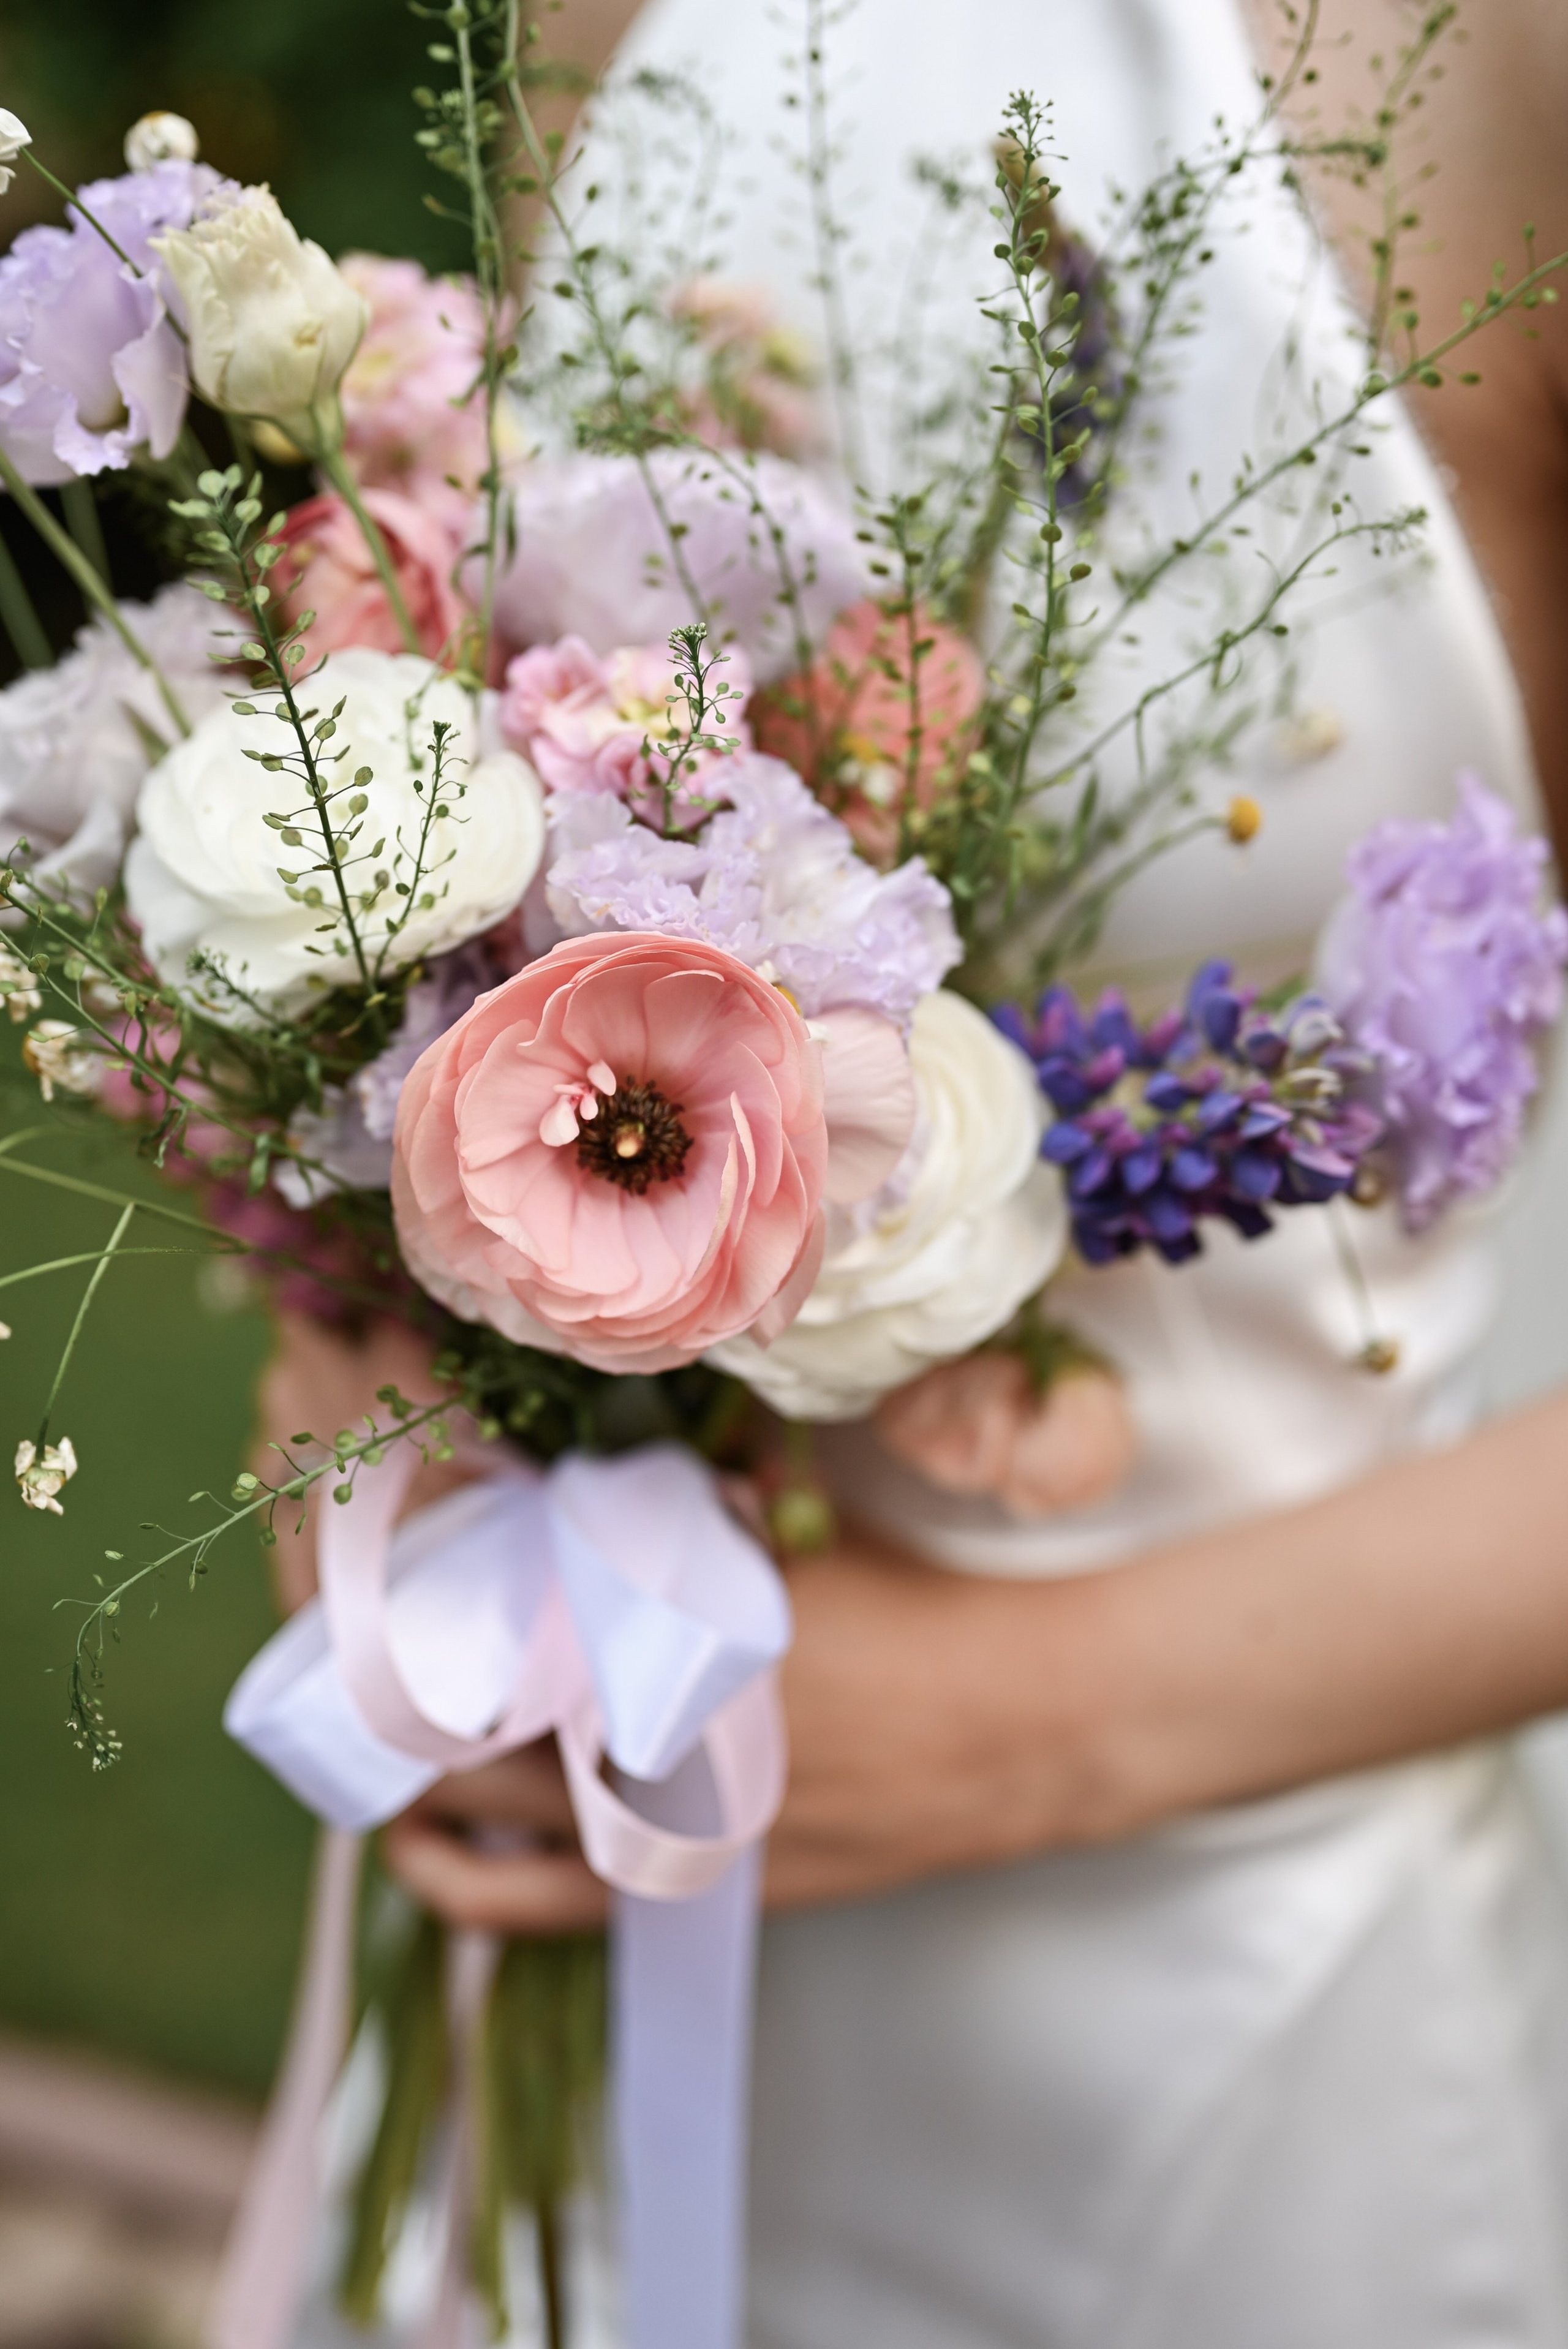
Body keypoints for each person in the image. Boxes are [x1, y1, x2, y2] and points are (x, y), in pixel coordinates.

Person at [262, 0, 1568, 2339]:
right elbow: (484, 738)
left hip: (1209, 2031)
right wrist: (355, 1363)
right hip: (577, 1863)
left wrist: (1000, 1727)